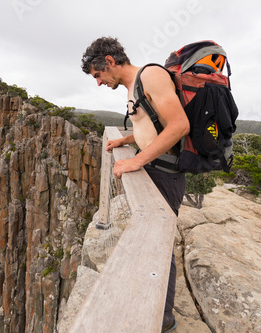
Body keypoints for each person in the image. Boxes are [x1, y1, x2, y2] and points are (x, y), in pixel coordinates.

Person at [81, 37, 189, 332]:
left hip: (165, 174)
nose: (99, 82)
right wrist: (126, 140)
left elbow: (179, 125)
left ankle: (163, 320)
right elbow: (151, 125)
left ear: (110, 62)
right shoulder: (133, 86)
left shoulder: (151, 75)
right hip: (155, 169)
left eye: (98, 75)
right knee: (152, 243)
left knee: (159, 246)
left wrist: (136, 161)